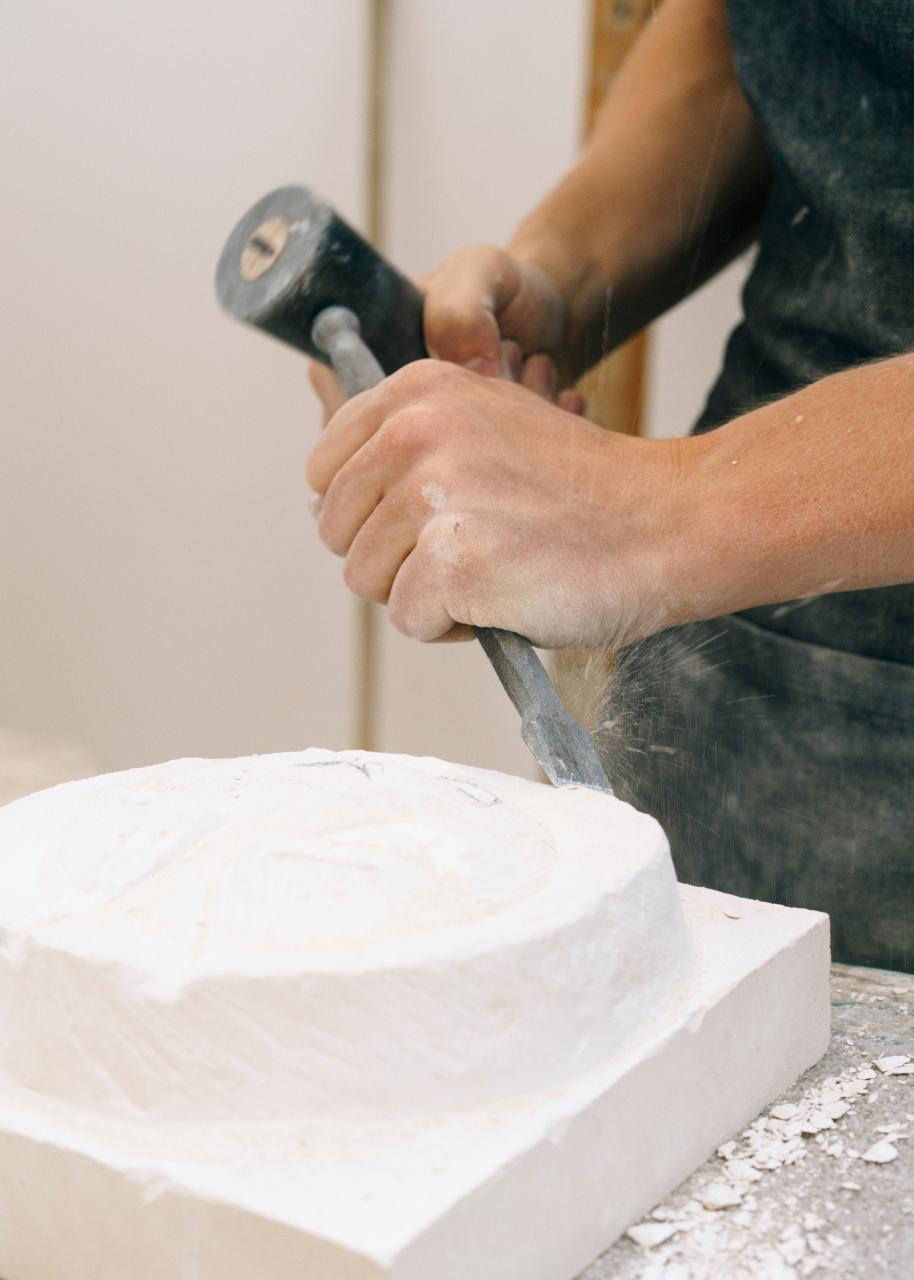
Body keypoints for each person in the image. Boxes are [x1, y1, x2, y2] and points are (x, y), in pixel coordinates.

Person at [307, 0, 914, 972]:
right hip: (749, 653)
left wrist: (652, 509)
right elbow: (778, 32)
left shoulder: (664, 520)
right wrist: (564, 275)